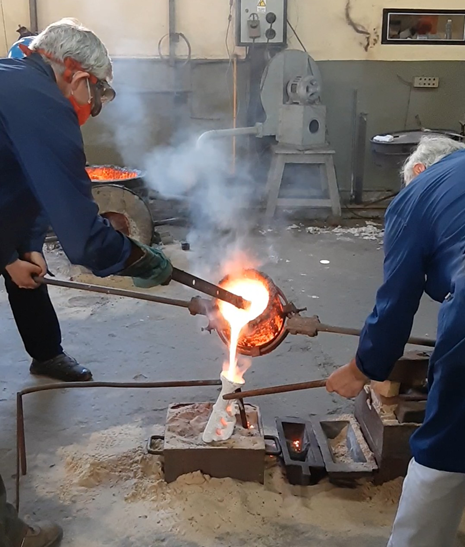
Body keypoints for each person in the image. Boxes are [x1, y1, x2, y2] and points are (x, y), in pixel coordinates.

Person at [0, 19, 173, 547]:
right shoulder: (43, 103)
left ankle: (45, 350)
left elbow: (19, 182)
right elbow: (85, 242)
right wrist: (137, 259)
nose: (89, 109)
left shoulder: (16, 76)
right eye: (94, 98)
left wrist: (22, 247)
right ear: (79, 78)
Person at [326, 134, 465, 547]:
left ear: (418, 170)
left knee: (445, 445)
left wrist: (362, 368)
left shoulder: (417, 193)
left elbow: (397, 299)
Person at [3, 36, 91, 383]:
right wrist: (7, 260)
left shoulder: (35, 119)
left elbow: (35, 192)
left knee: (28, 269)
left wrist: (30, 247)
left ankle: (47, 354)